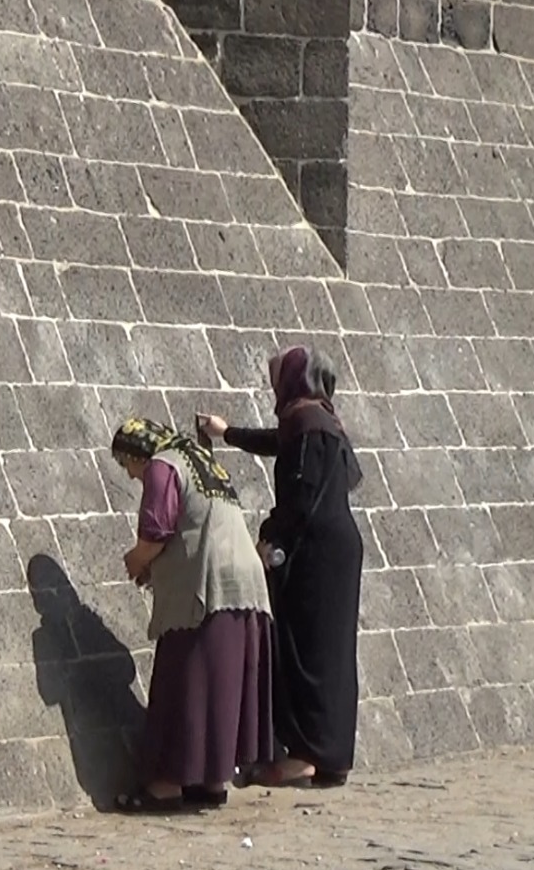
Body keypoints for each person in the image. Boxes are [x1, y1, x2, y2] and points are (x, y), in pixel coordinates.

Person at [197, 344, 365, 789]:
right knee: (330, 653)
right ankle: (331, 755)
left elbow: (300, 494)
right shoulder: (322, 419)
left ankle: (305, 756)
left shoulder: (305, 421)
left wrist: (270, 536)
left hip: (315, 550)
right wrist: (228, 432)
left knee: (305, 650)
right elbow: (281, 445)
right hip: (338, 547)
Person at [108, 417, 275, 814]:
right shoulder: (199, 458)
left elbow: (158, 529)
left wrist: (136, 560)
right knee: (220, 688)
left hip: (208, 589)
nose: (131, 476)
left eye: (127, 465)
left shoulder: (164, 465)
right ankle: (211, 781)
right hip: (245, 587)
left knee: (183, 684)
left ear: (136, 453)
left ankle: (165, 786)